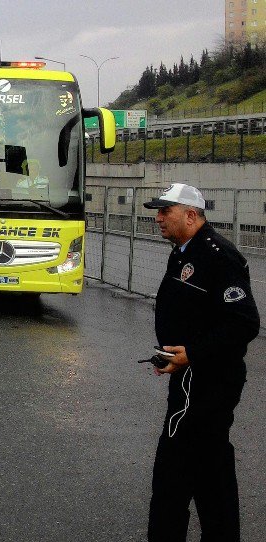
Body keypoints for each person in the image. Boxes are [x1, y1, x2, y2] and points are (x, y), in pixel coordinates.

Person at [142, 183, 259, 542]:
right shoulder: (182, 250)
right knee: (211, 467)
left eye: (166, 211)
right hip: (192, 378)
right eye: (157, 211)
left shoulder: (218, 256)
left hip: (205, 382)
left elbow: (244, 323)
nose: (158, 218)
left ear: (191, 215)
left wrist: (190, 355)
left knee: (172, 473)